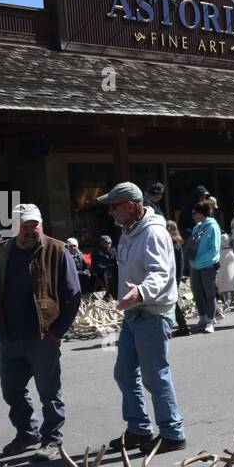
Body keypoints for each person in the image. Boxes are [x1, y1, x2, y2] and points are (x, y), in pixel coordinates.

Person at [96, 181, 186, 452]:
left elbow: (160, 273)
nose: (110, 212)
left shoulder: (153, 234)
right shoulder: (128, 229)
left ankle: (172, 433)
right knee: (124, 372)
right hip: (135, 313)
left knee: (155, 376)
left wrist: (140, 292)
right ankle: (139, 429)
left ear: (132, 206)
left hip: (152, 312)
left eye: (114, 206)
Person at [0, 203, 81, 459]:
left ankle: (52, 439)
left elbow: (72, 295)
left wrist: (56, 332)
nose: (31, 230)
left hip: (43, 336)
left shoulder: (58, 250)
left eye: (34, 225)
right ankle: (27, 432)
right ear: (15, 227)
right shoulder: (3, 253)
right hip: (10, 336)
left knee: (49, 393)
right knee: (11, 390)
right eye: (25, 225)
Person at [186, 200, 222, 332]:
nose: (193, 217)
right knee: (197, 293)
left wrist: (198, 260)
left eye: (194, 214)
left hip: (208, 266)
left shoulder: (213, 227)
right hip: (195, 266)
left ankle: (210, 321)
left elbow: (214, 250)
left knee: (210, 293)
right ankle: (202, 318)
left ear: (201, 214)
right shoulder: (197, 227)